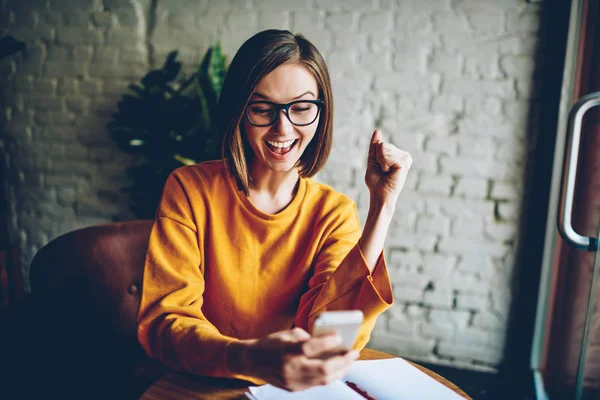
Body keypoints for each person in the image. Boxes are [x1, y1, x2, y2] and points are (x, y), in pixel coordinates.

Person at [136, 29, 412, 392]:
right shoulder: (190, 188)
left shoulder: (334, 212)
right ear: (239, 110)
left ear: (321, 113)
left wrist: (382, 207)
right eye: (262, 108)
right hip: (196, 384)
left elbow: (330, 333)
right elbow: (167, 321)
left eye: (300, 108)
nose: (283, 128)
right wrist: (247, 358)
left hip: (288, 392)